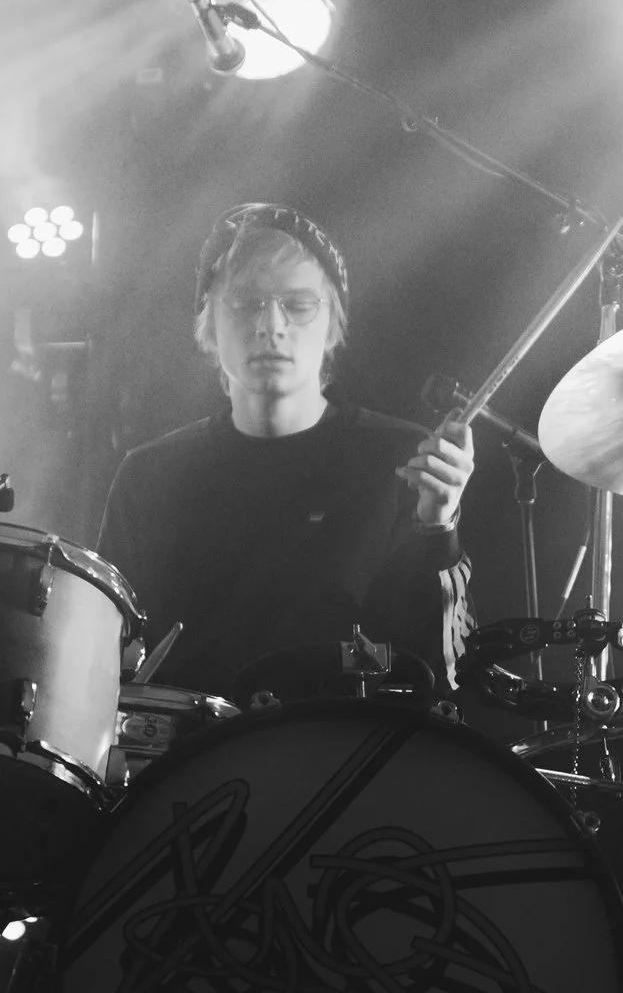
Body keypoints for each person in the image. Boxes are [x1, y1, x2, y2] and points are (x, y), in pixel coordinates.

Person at [96, 203, 475, 701]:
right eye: (245, 303)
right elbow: (96, 658)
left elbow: (446, 676)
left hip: (349, 746)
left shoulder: (403, 459)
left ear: (332, 325)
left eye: (297, 305)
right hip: (193, 750)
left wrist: (438, 528)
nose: (270, 324)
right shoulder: (148, 476)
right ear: (209, 324)